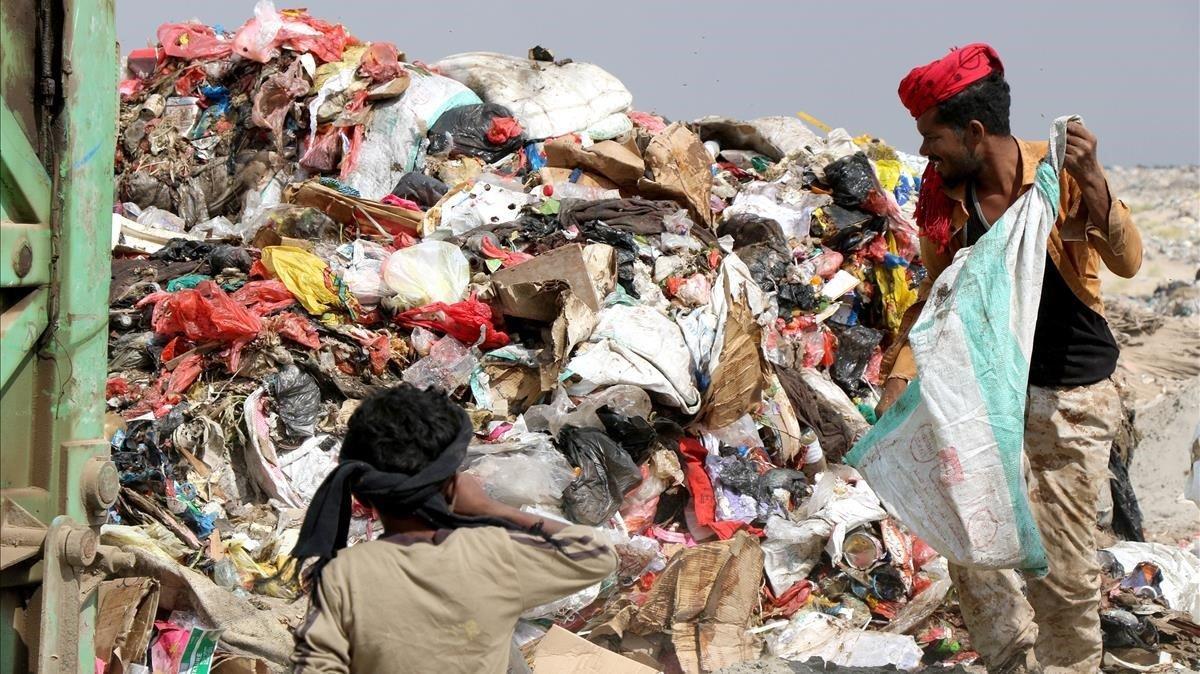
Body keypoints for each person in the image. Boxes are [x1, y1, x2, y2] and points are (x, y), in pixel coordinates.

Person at [878, 44, 1142, 673]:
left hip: (1070, 395)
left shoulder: (1059, 177)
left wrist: (1096, 179)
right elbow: (937, 302)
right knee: (969, 546)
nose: (924, 152)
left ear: (974, 131)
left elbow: (1127, 261)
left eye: (931, 136)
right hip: (988, 395)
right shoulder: (946, 204)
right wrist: (899, 378)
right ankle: (1010, 662)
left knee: (1061, 565)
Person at [290, 384, 617, 674]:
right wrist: (488, 507)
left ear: (362, 495)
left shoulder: (342, 576)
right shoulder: (494, 554)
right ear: (452, 484)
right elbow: (597, 555)